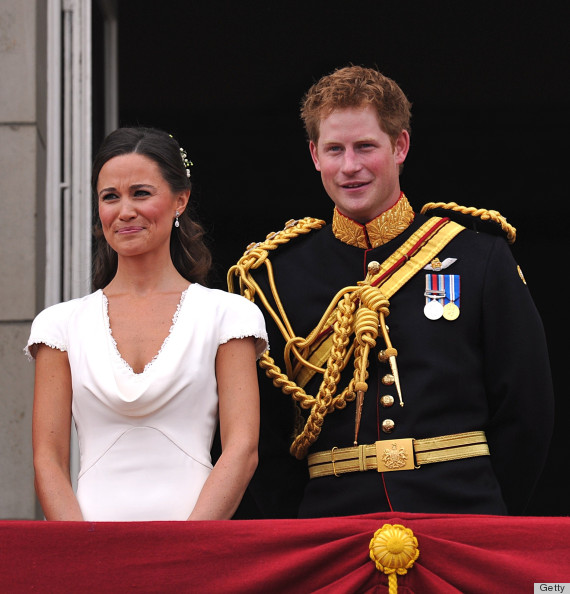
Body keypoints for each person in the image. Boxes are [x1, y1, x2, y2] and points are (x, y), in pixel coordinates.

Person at [228, 65, 554, 519]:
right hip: (332, 527)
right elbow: (266, 434)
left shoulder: (478, 255)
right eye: (334, 149)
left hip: (459, 515)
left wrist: (489, 512)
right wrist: (299, 526)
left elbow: (526, 408)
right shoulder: (276, 278)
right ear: (314, 155)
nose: (350, 166)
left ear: (400, 146)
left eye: (366, 147)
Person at [27, 127, 268, 521]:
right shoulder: (59, 325)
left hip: (195, 552)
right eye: (110, 197)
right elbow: (47, 460)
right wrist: (85, 559)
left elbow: (242, 449)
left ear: (180, 200)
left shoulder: (229, 316)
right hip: (94, 558)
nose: (125, 211)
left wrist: (185, 552)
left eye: (141, 193)